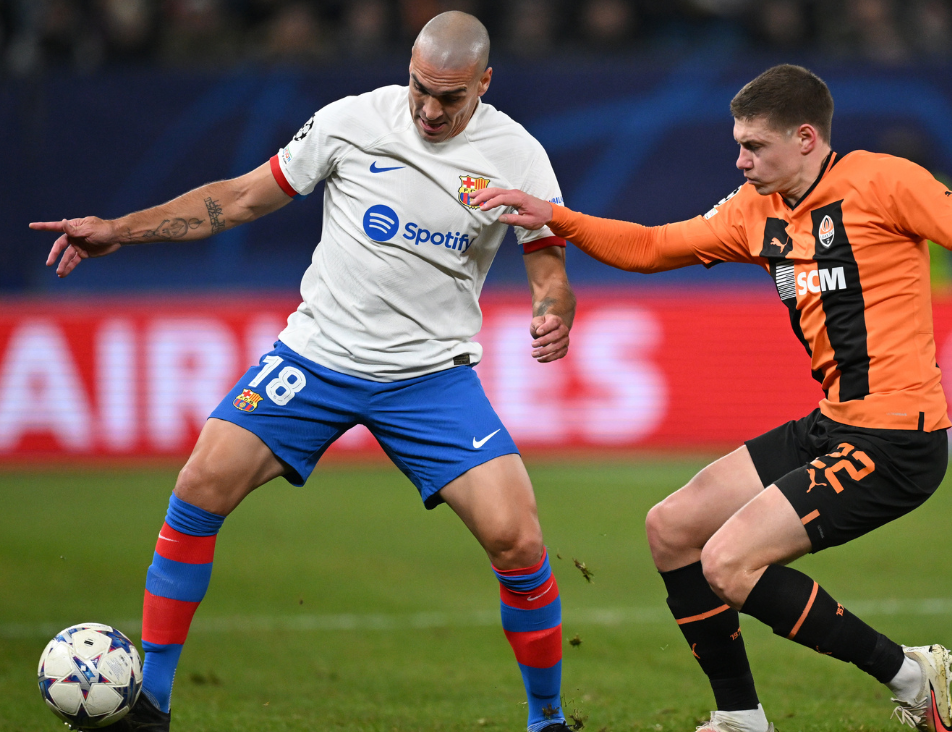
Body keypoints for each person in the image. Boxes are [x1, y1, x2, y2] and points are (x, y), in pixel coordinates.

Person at [474, 64, 952, 732]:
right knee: (672, 529)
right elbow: (652, 246)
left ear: (806, 138)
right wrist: (554, 217)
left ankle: (912, 676)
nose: (739, 160)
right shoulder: (753, 212)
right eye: (737, 144)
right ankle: (740, 717)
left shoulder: (884, 182)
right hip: (833, 424)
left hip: (898, 441)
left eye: (753, 146)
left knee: (728, 562)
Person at [30, 12, 577, 732]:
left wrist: (552, 307)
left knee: (519, 540)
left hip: (429, 377)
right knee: (199, 485)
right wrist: (121, 232)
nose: (431, 109)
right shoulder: (351, 122)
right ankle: (152, 703)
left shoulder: (519, 155)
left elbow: (548, 263)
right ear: (407, 67)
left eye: (451, 97)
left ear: (485, 82)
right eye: (421, 89)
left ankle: (546, 720)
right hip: (315, 358)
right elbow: (241, 196)